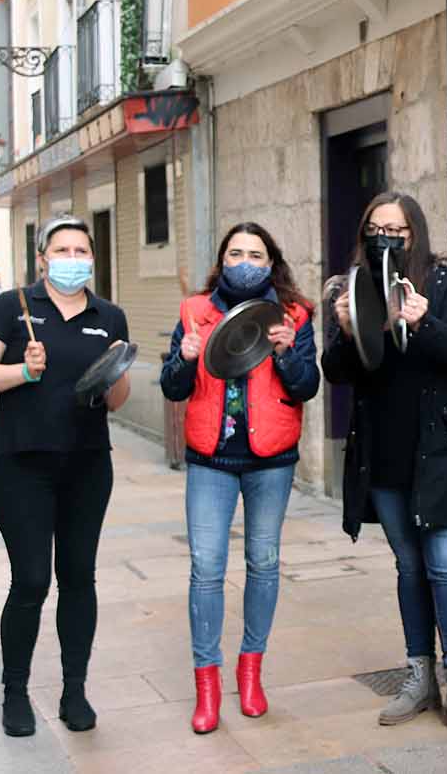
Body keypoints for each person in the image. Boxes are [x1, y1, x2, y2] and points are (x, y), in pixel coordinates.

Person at [323, 192, 447, 738]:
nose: (386, 237)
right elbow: (338, 371)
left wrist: (421, 322)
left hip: (441, 452)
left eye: (398, 229)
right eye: (377, 227)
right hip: (387, 455)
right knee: (410, 568)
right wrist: (346, 331)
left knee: (446, 567)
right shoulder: (352, 287)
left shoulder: (444, 283)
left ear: (415, 234)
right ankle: (419, 676)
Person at [0, 215, 132, 738]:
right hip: (21, 464)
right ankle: (15, 692)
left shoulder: (110, 315)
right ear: (43, 258)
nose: (72, 258)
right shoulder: (13, 307)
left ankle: (74, 689)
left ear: (92, 257)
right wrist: (24, 371)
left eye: (81, 249)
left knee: (79, 577)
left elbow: (119, 400)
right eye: (62, 249)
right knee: (32, 579)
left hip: (86, 464)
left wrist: (112, 376)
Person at [159, 223, 319, 734]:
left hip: (271, 458)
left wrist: (288, 352)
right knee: (206, 566)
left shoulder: (295, 314)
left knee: (264, 560)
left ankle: (251, 673)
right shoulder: (194, 311)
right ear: (221, 260)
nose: (245, 261)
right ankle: (208, 686)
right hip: (211, 458)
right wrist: (184, 359)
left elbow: (307, 387)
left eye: (255, 253)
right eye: (235, 253)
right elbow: (173, 386)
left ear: (271, 262)